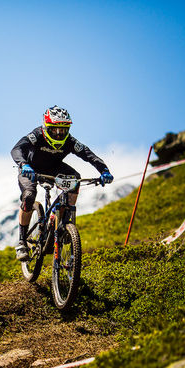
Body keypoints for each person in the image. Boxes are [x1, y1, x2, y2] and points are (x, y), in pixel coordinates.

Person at [11, 106, 113, 261]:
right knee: (29, 196)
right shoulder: (36, 135)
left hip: (54, 168)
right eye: (55, 130)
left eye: (63, 130)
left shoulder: (70, 141)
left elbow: (89, 155)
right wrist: (24, 164)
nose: (59, 134)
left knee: (75, 180)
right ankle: (22, 242)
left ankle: (62, 222)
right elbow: (17, 149)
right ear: (46, 127)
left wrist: (104, 171)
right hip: (30, 169)